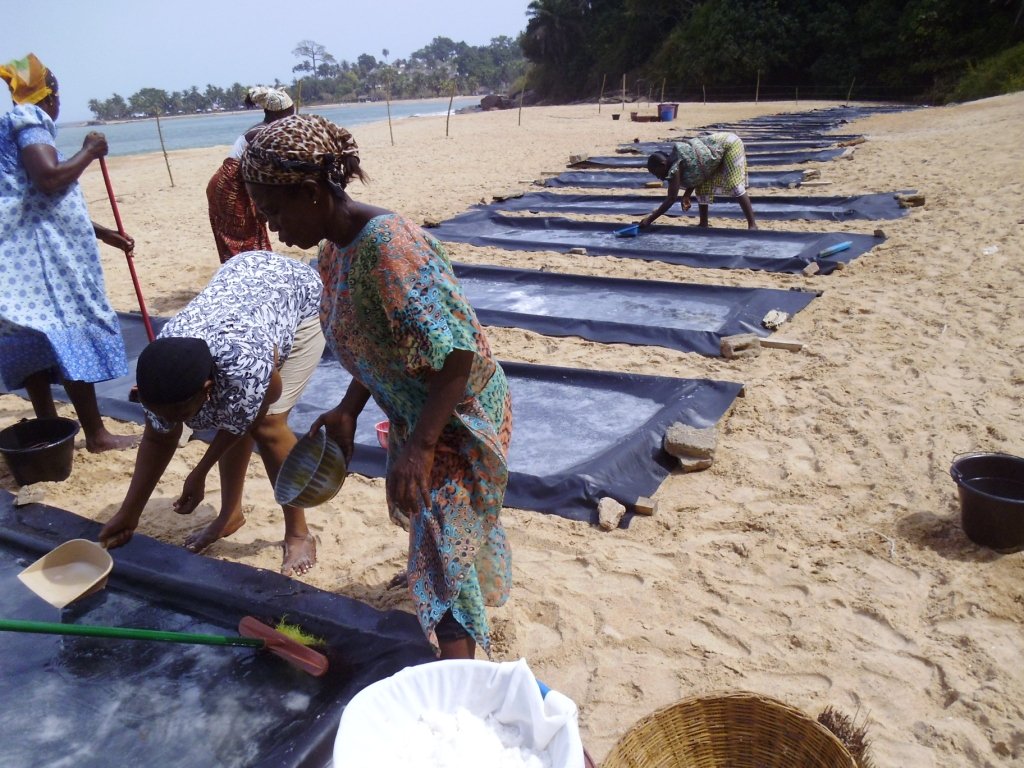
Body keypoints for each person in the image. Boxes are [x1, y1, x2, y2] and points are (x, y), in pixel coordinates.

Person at [241, 114, 514, 661]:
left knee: (439, 536)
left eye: (274, 210)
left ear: (313, 193)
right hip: (421, 412)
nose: (272, 229)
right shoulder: (333, 251)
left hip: (458, 414)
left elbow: (457, 351)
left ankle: (458, 675)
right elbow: (374, 342)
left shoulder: (389, 248)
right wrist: (347, 410)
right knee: (439, 527)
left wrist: (422, 445)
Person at [98, 250, 326, 577]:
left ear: (208, 387)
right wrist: (129, 513)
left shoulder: (245, 365)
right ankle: (230, 515)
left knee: (268, 426)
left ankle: (299, 532)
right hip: (243, 285)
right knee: (235, 417)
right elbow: (158, 439)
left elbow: (257, 407)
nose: (176, 422)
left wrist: (200, 471)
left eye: (181, 414)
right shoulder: (162, 367)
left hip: (296, 296)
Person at [0, 53, 137, 452]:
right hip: (42, 258)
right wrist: (90, 151)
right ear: (51, 96)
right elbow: (48, 180)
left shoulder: (8, 127)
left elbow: (35, 199)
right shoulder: (30, 121)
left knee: (35, 337)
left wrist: (104, 232)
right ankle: (96, 433)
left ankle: (48, 430)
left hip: (19, 251)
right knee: (69, 326)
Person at [206, 86, 295, 262]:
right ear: (278, 114)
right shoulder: (262, 133)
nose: (292, 119)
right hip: (231, 185)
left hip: (240, 182)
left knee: (253, 228)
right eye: (290, 114)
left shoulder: (267, 129)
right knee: (240, 234)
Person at [639, 132, 757, 230]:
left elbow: (671, 198)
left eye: (656, 173)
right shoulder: (676, 162)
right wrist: (687, 195)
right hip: (712, 157)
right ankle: (703, 223)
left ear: (663, 164)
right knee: (702, 189)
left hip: (729, 144)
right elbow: (696, 173)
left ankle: (752, 225)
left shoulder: (674, 167)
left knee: (734, 185)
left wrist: (650, 219)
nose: (658, 177)